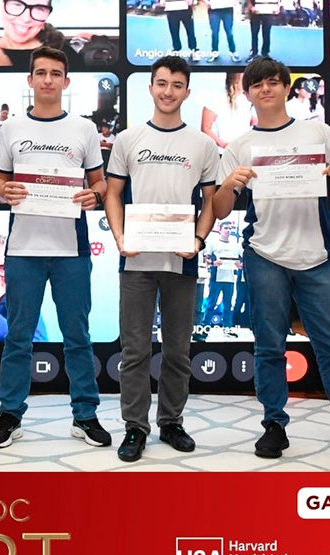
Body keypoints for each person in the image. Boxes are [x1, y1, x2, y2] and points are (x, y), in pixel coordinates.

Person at [212, 57, 330, 460]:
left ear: (286, 87)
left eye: (273, 82)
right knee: (269, 348)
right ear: (248, 94)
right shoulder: (240, 146)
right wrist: (228, 185)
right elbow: (221, 209)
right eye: (257, 84)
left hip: (316, 255)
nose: (266, 89)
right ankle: (274, 424)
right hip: (264, 255)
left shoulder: (317, 132)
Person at [0, 46, 111, 449]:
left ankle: (85, 415)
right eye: (41, 73)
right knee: (18, 336)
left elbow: (100, 182)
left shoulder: (83, 129)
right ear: (30, 80)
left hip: (71, 248)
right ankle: (10, 414)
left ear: (66, 81)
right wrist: (4, 190)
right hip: (23, 248)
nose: (47, 80)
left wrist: (94, 195)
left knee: (78, 335)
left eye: (55, 74)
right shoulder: (12, 128)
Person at [104, 56, 220, 462]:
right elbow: (113, 193)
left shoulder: (203, 145)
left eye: (176, 85)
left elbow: (210, 202)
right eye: (162, 83)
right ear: (151, 87)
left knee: (177, 351)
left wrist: (199, 240)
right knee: (135, 350)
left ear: (187, 91)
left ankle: (171, 421)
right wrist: (119, 237)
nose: (168, 91)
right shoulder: (128, 139)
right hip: (136, 260)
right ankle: (135, 427)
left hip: (181, 260)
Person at [0, 0, 81, 68]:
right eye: (17, 4)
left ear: (48, 14)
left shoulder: (66, 56)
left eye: (39, 9)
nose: (26, 19)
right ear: (2, 4)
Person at [201, 221, 242, 333]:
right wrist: (213, 263)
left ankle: (227, 327)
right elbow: (206, 258)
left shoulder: (235, 245)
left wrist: (239, 265)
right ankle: (205, 326)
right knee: (211, 302)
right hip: (216, 277)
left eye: (230, 228)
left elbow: (241, 260)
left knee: (228, 304)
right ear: (220, 229)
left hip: (229, 278)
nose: (228, 230)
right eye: (226, 228)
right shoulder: (213, 243)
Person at [201, 72, 256, 154]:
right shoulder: (216, 99)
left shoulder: (247, 98)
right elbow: (206, 128)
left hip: (244, 151)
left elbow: (252, 121)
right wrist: (224, 145)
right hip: (222, 153)